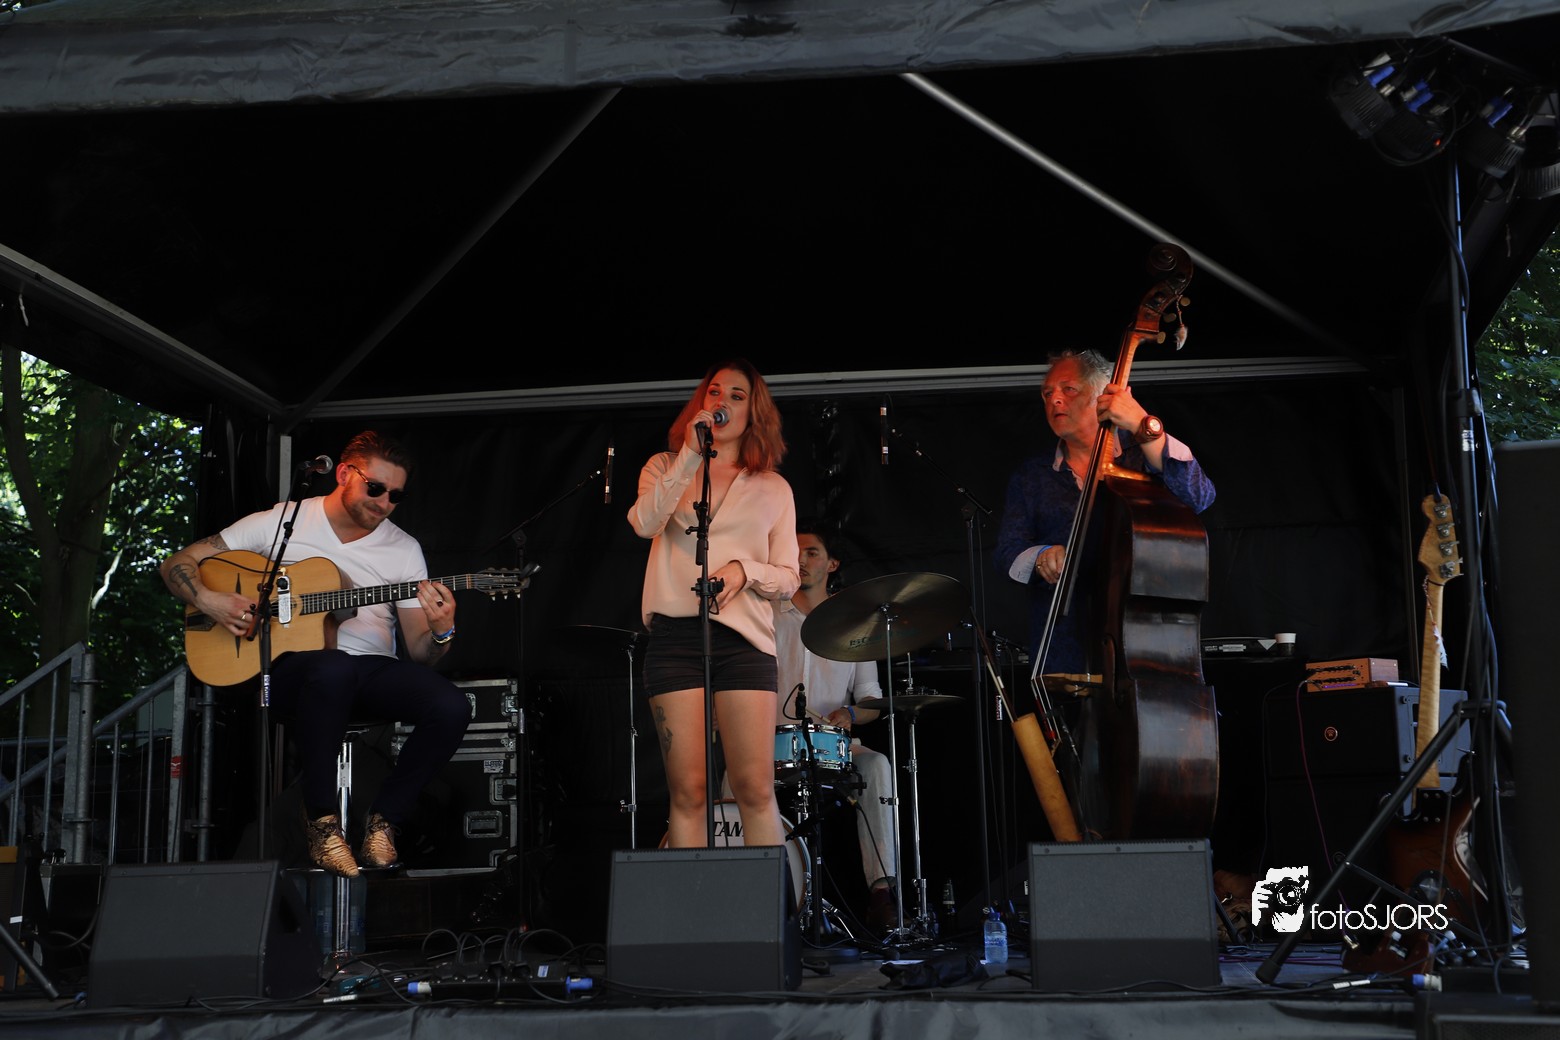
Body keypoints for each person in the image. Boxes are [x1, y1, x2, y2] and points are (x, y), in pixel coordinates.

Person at [160, 430, 471, 878]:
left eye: (396, 495)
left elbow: (422, 653)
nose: (384, 503)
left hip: (369, 673)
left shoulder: (404, 549)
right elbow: (176, 564)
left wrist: (442, 631)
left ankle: (385, 822)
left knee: (450, 704)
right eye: (375, 488)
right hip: (290, 673)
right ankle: (322, 825)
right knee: (332, 667)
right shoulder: (281, 522)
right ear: (344, 473)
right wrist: (210, 600)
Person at [629, 359, 799, 849]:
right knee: (689, 793)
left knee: (754, 789)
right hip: (675, 639)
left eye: (736, 396)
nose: (721, 401)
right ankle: (694, 901)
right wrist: (688, 454)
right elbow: (643, 523)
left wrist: (746, 571)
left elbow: (789, 577)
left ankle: (768, 898)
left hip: (744, 642)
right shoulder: (664, 467)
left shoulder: (773, 487)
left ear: (753, 414)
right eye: (714, 392)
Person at [994, 348, 1217, 674]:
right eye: (1047, 393)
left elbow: (1199, 496)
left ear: (1104, 395)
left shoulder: (1143, 456)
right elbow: (1006, 552)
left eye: (1069, 389)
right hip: (1064, 649)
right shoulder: (1032, 476)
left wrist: (1144, 425)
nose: (1055, 399)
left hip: (1146, 646)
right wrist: (1040, 556)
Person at [773, 519, 900, 931]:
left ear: (832, 564)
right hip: (771, 743)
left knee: (877, 765)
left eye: (812, 552)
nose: (801, 560)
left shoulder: (854, 624)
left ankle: (881, 894)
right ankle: (745, 888)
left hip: (834, 745)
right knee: (731, 778)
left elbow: (872, 701)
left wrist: (851, 714)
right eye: (795, 551)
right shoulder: (767, 615)